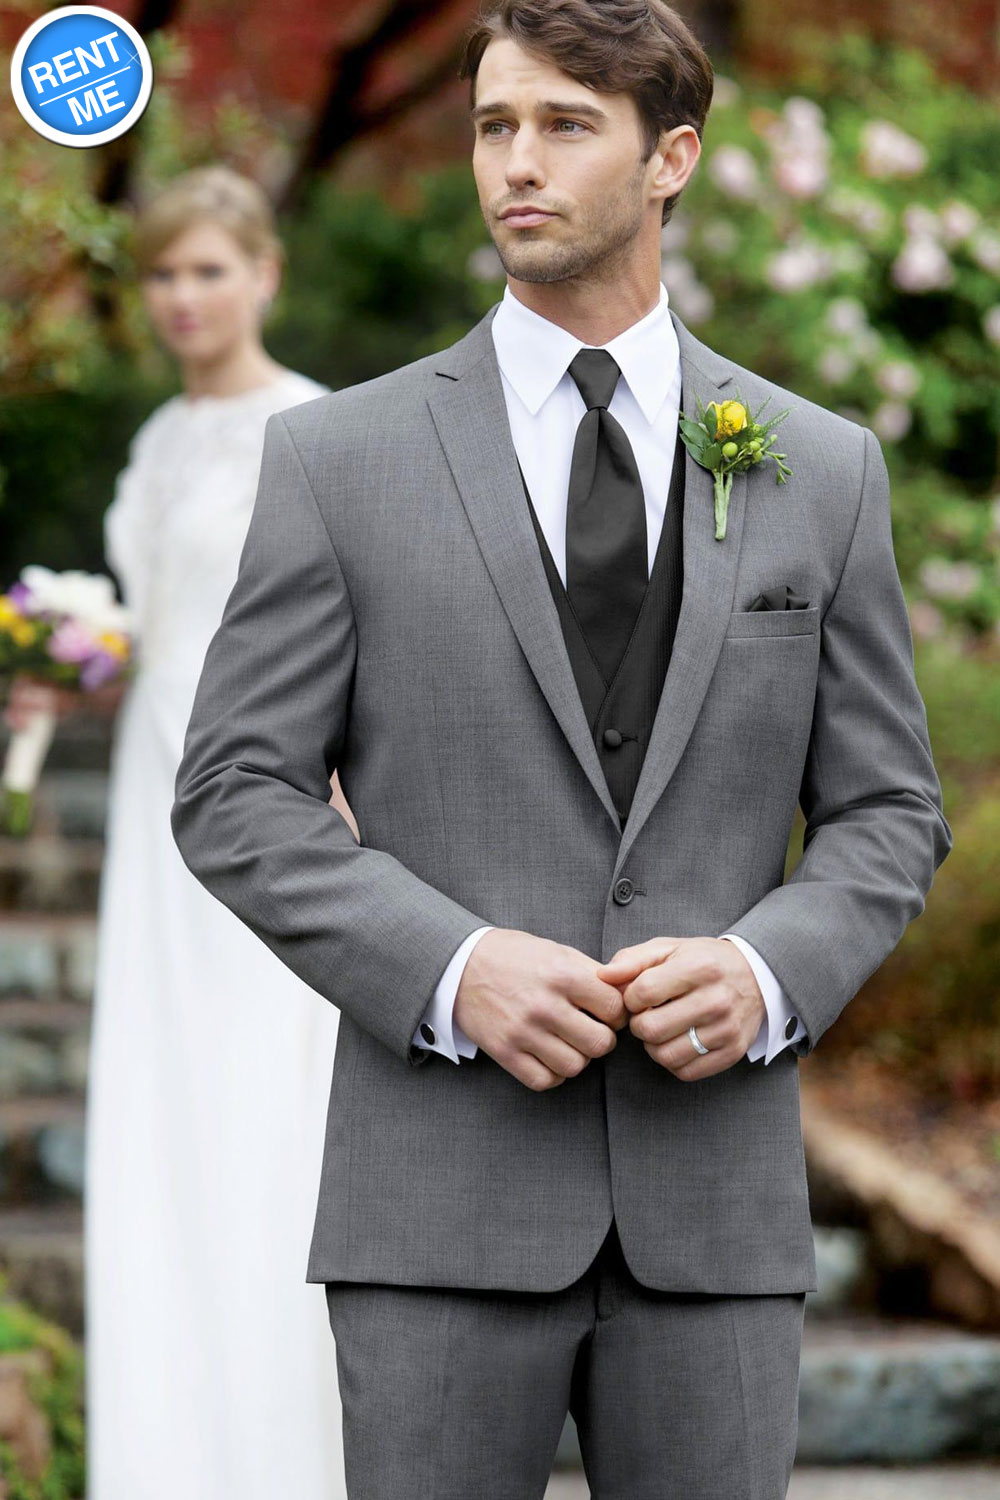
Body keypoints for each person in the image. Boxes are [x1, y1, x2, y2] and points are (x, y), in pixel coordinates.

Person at [170, 6, 953, 1497]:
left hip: (714, 1220)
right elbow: (233, 792)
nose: (514, 164)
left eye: (564, 125)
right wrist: (453, 967)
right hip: (437, 1208)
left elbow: (887, 807)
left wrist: (770, 969)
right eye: (493, 125)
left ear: (674, 157)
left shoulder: (816, 466)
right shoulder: (341, 462)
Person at [4, 165, 349, 1499]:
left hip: (276, 800)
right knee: (164, 1118)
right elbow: (159, 628)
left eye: (210, 269)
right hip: (157, 808)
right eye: (161, 275)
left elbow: (361, 620)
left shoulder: (320, 429)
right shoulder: (156, 441)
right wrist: (79, 664)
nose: (184, 298)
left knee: (268, 1118)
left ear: (265, 272)